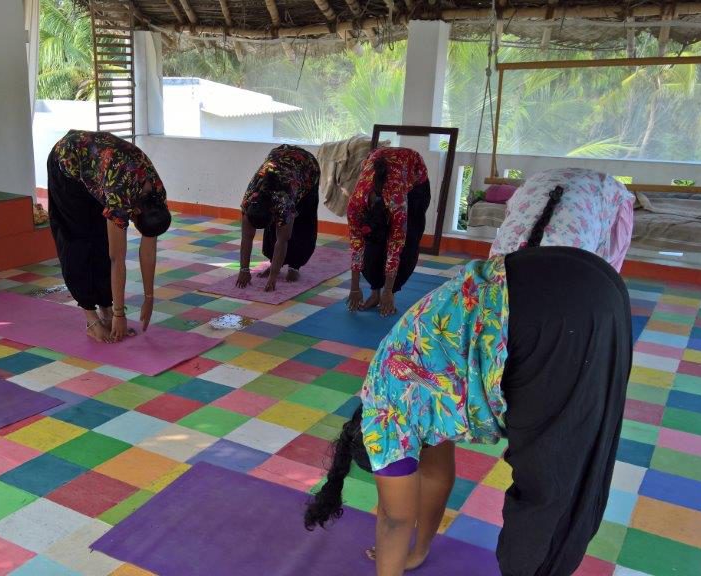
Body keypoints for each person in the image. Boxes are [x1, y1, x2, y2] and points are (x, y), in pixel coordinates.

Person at [304, 192, 632, 576]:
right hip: (589, 280)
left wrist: (398, 555)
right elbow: (438, 477)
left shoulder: (386, 428)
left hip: (543, 314)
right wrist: (419, 550)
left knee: (548, 487)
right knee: (575, 465)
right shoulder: (407, 395)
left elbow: (394, 520)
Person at [47, 130, 171, 343]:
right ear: (135, 212)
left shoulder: (156, 194)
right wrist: (121, 314)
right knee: (78, 240)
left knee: (101, 240)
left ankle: (106, 308)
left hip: (99, 171)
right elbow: (117, 259)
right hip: (67, 162)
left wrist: (149, 299)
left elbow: (148, 249)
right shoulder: (119, 196)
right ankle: (91, 319)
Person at [491, 167, 634, 271]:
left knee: (604, 274)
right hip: (541, 184)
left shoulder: (578, 265)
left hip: (600, 189)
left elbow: (607, 277)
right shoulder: (496, 260)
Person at [346, 147, 432, 316]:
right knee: (372, 246)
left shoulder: (397, 204)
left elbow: (395, 248)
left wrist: (388, 291)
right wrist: (354, 288)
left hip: (415, 179)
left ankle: (388, 294)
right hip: (383, 166)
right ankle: (375, 293)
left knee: (408, 244)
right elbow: (357, 247)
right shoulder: (355, 206)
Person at [236, 145, 320, 292]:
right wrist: (244, 270)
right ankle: (274, 263)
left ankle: (295, 266)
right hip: (280, 157)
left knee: (301, 224)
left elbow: (283, 240)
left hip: (306, 167)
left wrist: (272, 278)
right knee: (273, 233)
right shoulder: (249, 200)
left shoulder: (283, 202)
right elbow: (246, 238)